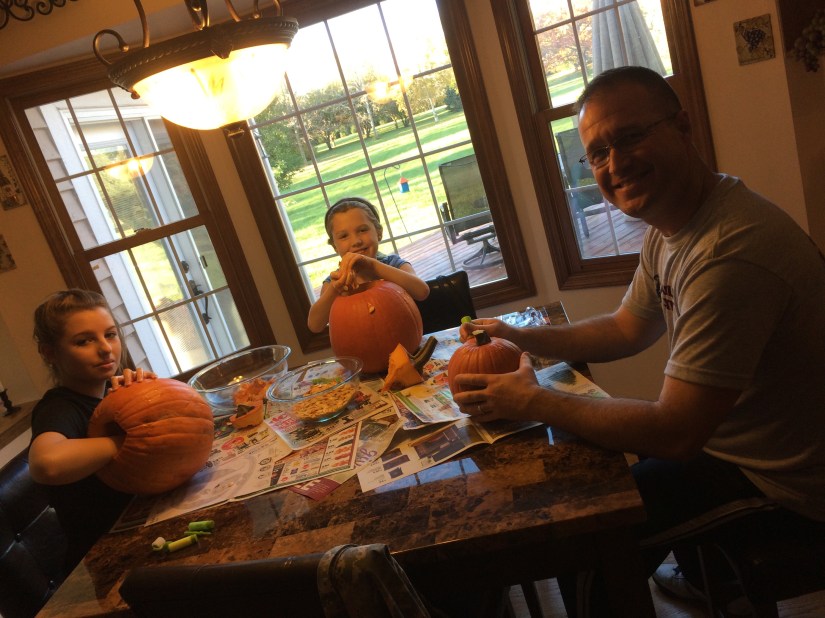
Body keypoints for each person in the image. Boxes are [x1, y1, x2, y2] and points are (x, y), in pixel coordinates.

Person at [452, 66, 825, 613]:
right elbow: (626, 327)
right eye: (598, 153)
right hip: (730, 443)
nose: (615, 164)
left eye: (629, 137)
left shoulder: (729, 253)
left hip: (787, 484)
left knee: (591, 541)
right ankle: (703, 576)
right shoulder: (676, 225)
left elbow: (675, 432)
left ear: (683, 126)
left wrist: (534, 400)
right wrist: (522, 337)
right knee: (597, 470)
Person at [29, 289, 156, 574]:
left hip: (141, 531)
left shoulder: (111, 394)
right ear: (50, 353)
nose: (105, 348)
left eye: (110, 334)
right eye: (84, 341)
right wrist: (128, 440)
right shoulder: (60, 407)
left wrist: (147, 398)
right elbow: (46, 464)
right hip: (110, 561)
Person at [308, 196, 430, 333]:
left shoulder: (393, 264)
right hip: (358, 347)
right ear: (335, 247)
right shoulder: (335, 282)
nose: (356, 241)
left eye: (362, 230)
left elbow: (422, 292)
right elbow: (315, 325)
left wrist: (373, 266)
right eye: (344, 236)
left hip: (405, 343)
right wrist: (334, 290)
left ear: (379, 232)